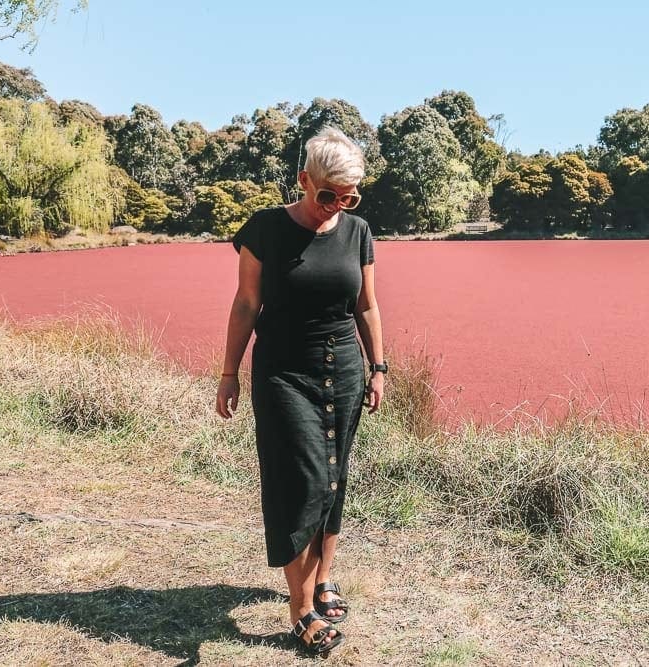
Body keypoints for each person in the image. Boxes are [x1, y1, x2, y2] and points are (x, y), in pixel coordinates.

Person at [215, 126, 386, 656]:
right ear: (302, 180)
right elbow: (246, 304)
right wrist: (228, 373)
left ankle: (323, 576)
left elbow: (366, 306)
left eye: (349, 195)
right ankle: (301, 609)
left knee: (335, 477)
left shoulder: (357, 231)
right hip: (284, 373)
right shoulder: (265, 229)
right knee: (303, 481)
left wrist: (378, 366)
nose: (336, 205)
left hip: (345, 371)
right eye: (327, 194)